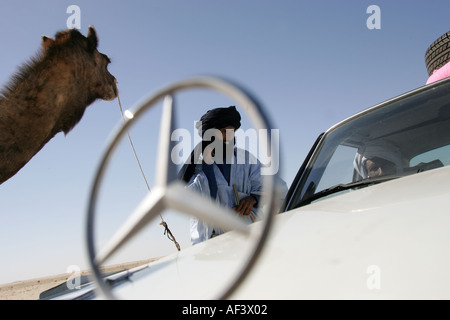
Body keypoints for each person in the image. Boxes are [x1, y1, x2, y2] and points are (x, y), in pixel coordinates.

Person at [178, 106, 263, 245]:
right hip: (210, 244)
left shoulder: (246, 159)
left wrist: (254, 198)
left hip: (249, 238)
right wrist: (207, 167)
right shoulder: (197, 167)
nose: (230, 137)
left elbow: (276, 186)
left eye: (232, 131)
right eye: (224, 132)